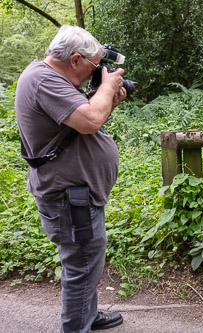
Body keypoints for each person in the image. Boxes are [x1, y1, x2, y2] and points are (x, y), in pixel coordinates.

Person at [15, 25, 127, 332]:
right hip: (68, 196)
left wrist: (108, 101)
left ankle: (86, 316)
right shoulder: (44, 80)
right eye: (94, 66)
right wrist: (107, 86)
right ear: (75, 60)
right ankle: (76, 326)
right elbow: (90, 121)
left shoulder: (49, 78)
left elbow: (81, 121)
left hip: (75, 193)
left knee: (87, 259)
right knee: (82, 263)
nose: (97, 72)